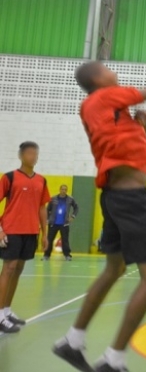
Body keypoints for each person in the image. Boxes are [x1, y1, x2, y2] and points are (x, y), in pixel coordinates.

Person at [52, 61, 146, 372]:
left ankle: (73, 340)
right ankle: (114, 359)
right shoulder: (105, 97)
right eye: (107, 70)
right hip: (131, 200)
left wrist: (140, 124)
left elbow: (129, 150)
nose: (113, 73)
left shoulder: (101, 110)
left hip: (115, 197)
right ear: (97, 79)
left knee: (114, 268)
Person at [0, 141, 51, 333]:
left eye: (36, 154)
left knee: (19, 269)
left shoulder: (41, 180)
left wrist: (45, 233)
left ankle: (6, 311)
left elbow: (42, 208)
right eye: (30, 153)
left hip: (31, 231)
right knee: (9, 268)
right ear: (21, 155)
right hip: (11, 229)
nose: (33, 157)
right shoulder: (10, 177)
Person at [44, 185, 79, 261]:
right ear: (59, 190)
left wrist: (72, 216)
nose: (64, 191)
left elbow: (76, 207)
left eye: (65, 189)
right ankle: (46, 255)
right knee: (50, 239)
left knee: (65, 240)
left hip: (64, 223)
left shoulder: (70, 199)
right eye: (62, 189)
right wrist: (47, 219)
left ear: (67, 190)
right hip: (53, 223)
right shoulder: (53, 199)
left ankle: (67, 255)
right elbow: (48, 209)